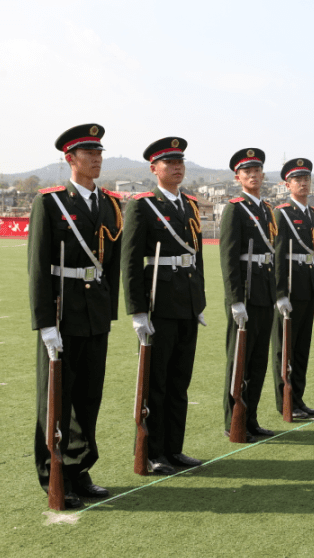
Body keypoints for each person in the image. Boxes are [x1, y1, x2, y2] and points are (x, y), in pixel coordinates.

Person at [28, 123, 122, 509]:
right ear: (70, 159)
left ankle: (80, 469)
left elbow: (111, 263)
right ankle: (54, 476)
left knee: (88, 398)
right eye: (89, 154)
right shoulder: (50, 202)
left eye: (100, 153)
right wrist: (45, 323)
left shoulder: (111, 203)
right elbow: (37, 267)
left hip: (95, 313)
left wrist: (111, 312)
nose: (97, 159)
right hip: (63, 311)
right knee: (56, 398)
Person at [122, 136, 206, 474]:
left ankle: (174, 448)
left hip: (186, 303)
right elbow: (130, 261)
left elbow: (196, 257)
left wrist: (198, 301)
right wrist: (137, 311)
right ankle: (152, 451)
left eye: (180, 162)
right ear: (154, 168)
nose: (176, 167)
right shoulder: (143, 205)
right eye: (169, 163)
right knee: (154, 382)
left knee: (179, 381)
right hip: (158, 302)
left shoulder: (190, 205)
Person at [220, 148, 277, 442]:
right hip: (246, 292)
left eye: (257, 171)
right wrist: (235, 300)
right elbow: (229, 258)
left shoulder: (266, 209)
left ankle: (250, 418)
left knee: (257, 361)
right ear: (238, 177)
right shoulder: (235, 208)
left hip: (265, 292)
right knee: (239, 359)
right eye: (247, 171)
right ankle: (234, 421)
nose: (253, 175)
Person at [271, 158, 314, 419]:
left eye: (306, 179)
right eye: (297, 180)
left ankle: (299, 399)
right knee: (285, 348)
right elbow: (278, 255)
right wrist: (280, 293)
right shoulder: (281, 213)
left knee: (302, 347)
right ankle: (285, 401)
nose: (303, 183)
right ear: (287, 184)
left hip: (308, 285)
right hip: (290, 286)